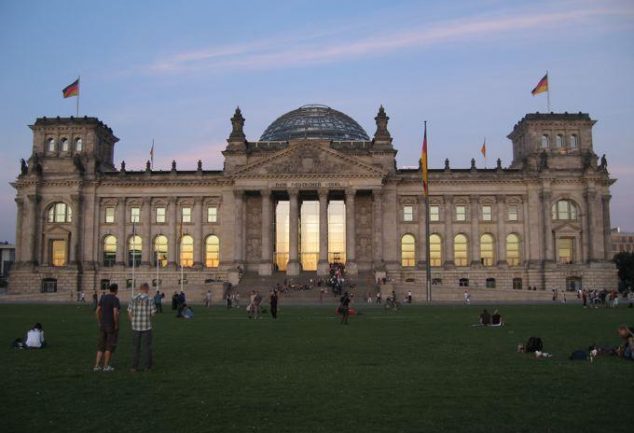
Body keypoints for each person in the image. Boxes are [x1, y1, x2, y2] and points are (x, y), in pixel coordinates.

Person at [128, 282, 157, 372]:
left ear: (140, 289)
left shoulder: (133, 298)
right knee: (147, 347)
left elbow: (129, 312)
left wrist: (133, 322)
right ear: (146, 289)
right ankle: (147, 367)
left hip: (135, 326)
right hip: (146, 327)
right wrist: (147, 316)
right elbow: (153, 313)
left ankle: (134, 367)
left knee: (135, 347)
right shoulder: (150, 299)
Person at [94, 283, 120, 372]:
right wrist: (116, 324)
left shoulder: (103, 297)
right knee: (109, 346)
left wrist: (99, 321)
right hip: (111, 325)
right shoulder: (115, 299)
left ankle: (96, 366)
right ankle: (106, 366)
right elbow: (115, 312)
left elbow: (97, 311)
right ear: (116, 290)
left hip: (103, 325)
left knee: (101, 346)